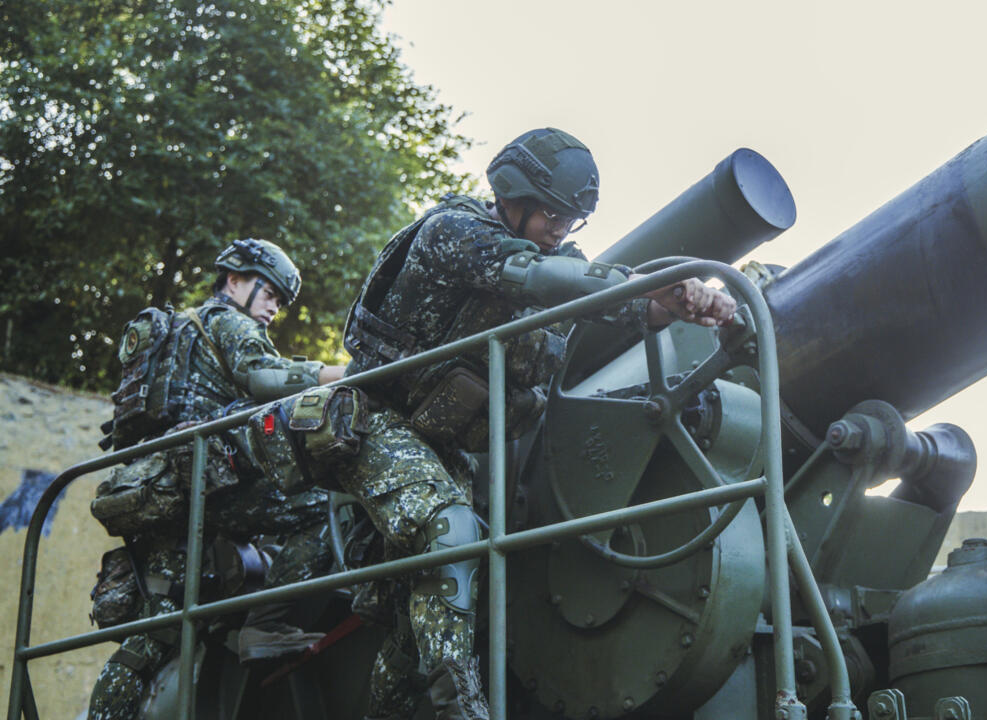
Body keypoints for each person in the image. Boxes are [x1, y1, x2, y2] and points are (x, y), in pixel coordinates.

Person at [340, 128, 736, 720]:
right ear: (513, 194)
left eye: (572, 220)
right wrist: (655, 285)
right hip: (376, 423)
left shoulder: (555, 253)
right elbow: (543, 281)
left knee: (420, 603)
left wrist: (667, 303)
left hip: (445, 449)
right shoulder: (453, 233)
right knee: (451, 534)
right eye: (554, 213)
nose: (561, 230)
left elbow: (594, 289)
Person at [87, 239, 347, 719]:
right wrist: (346, 373)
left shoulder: (180, 331)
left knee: (153, 637)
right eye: (268, 292)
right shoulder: (228, 321)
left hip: (161, 491)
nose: (273, 307)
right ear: (234, 281)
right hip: (205, 488)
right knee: (319, 505)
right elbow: (264, 377)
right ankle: (266, 625)